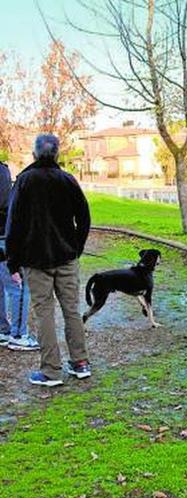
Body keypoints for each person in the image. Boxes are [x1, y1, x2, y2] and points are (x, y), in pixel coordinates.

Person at [6, 134, 91, 386]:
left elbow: (14, 225)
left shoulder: (24, 181)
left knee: (44, 314)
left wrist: (13, 262)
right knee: (71, 311)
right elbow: (84, 218)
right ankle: (80, 362)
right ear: (57, 154)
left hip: (36, 261)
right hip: (66, 257)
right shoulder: (67, 180)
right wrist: (76, 247)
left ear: (34, 154)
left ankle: (52, 371)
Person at [0, 160, 39, 351]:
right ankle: (18, 335)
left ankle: (3, 330)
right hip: (3, 238)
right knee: (18, 286)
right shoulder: (2, 170)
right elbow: (7, 206)